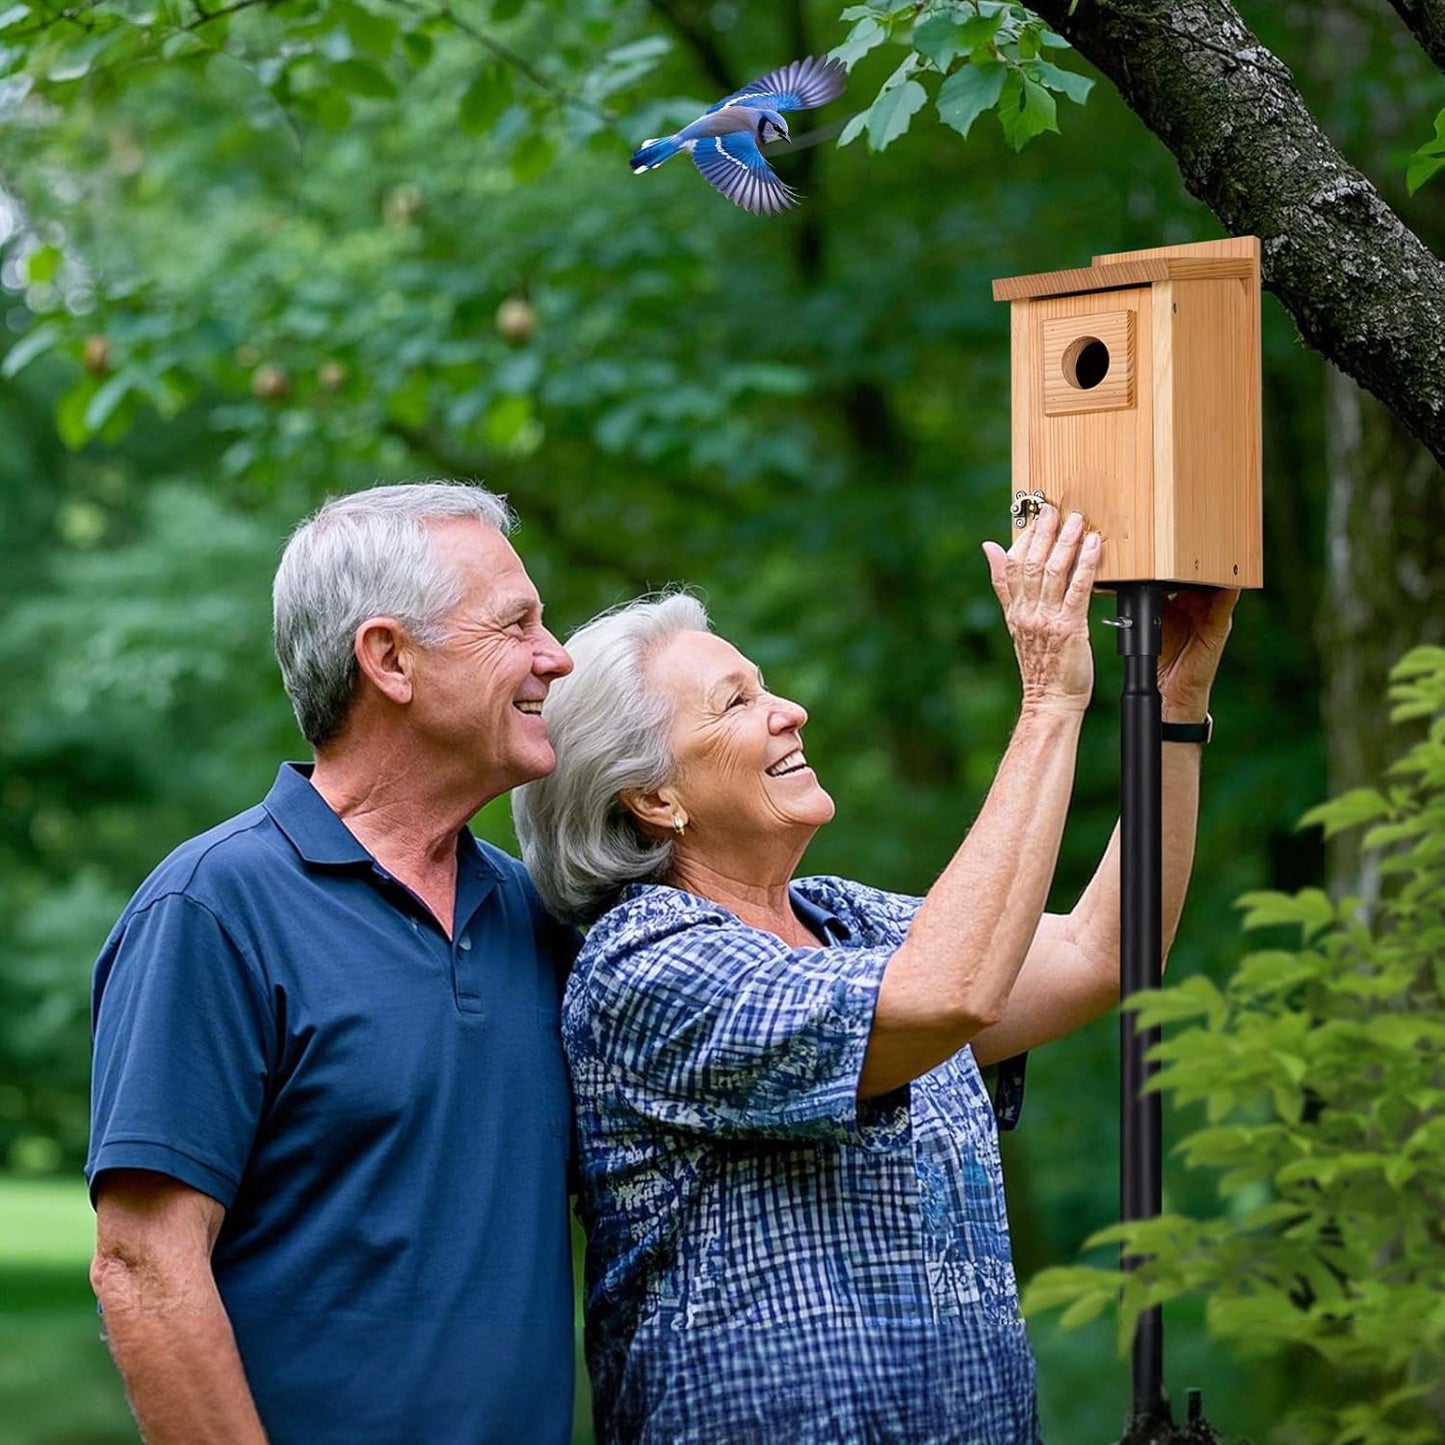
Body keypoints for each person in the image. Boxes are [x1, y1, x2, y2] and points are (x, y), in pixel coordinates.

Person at [512, 504, 1238, 1444]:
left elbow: (1102, 953)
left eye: (763, 686)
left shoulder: (845, 918)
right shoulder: (643, 963)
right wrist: (1048, 702)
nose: (789, 711)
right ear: (654, 798)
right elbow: (946, 994)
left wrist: (1172, 706)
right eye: (736, 703)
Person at [86, 482, 577, 1445]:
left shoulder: (537, 914)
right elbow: (142, 1263)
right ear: (389, 657)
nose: (553, 657)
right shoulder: (215, 907)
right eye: (515, 623)